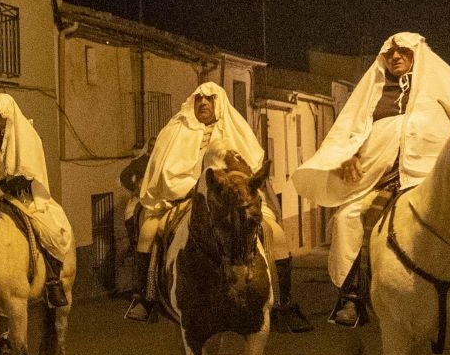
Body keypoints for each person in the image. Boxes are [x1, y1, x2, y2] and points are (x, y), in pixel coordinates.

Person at [292, 33, 450, 329]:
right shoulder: (374, 93)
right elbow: (351, 131)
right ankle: (352, 296)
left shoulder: (444, 88)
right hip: (381, 180)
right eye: (389, 54)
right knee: (347, 219)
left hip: (433, 180)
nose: (395, 57)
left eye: (402, 52)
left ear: (417, 54)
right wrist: (350, 156)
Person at [119, 82, 311, 331]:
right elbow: (164, 170)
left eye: (209, 99)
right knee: (147, 233)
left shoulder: (234, 131)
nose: (204, 103)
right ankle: (144, 297)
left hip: (230, 200)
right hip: (182, 199)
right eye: (199, 99)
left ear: (219, 102)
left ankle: (285, 305)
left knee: (278, 235)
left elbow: (249, 169)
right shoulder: (175, 130)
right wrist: (188, 187)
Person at [0, 93, 76, 306]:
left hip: (24, 198)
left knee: (46, 229)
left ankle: (53, 279)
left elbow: (29, 174)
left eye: (1, 116)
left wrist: (2, 186)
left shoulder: (28, 138)